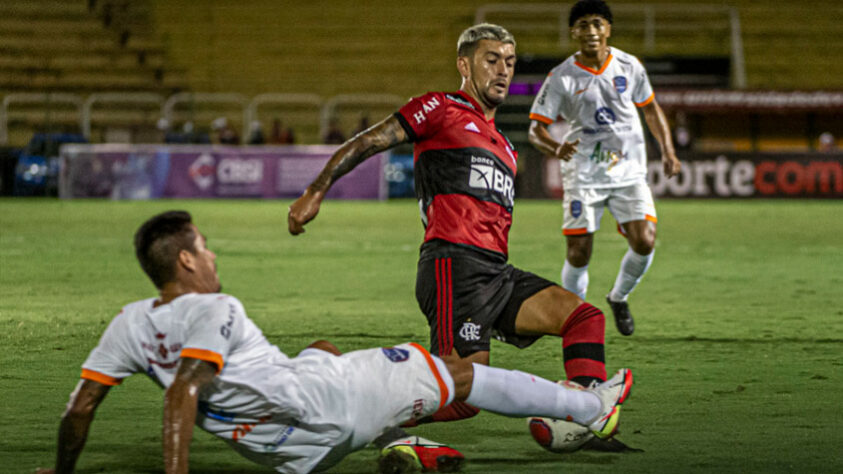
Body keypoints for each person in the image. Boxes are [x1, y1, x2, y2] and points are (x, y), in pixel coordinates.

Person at [36, 210, 633, 474]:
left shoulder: (127, 325)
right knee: (460, 374)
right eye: (206, 245)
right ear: (187, 260)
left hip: (291, 454)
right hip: (328, 405)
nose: (214, 254)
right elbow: (183, 395)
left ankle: (404, 445)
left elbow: (80, 408)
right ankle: (589, 409)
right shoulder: (216, 306)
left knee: (320, 348)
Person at [288, 23, 622, 464]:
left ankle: (585, 417)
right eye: (491, 60)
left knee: (584, 317)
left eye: (509, 62)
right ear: (464, 65)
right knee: (462, 395)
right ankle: (353, 410)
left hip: (496, 273)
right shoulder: (439, 108)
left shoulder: (506, 146)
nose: (503, 70)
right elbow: (371, 140)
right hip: (453, 266)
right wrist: (318, 188)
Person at [527, 0, 681, 336]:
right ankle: (575, 318)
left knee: (645, 240)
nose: (591, 31)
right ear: (573, 32)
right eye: (583, 25)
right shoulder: (561, 77)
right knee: (579, 251)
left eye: (597, 23)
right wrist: (555, 147)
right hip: (584, 173)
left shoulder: (629, 65)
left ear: (608, 29)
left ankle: (619, 296)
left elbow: (651, 109)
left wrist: (667, 151)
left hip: (628, 171)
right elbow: (534, 129)